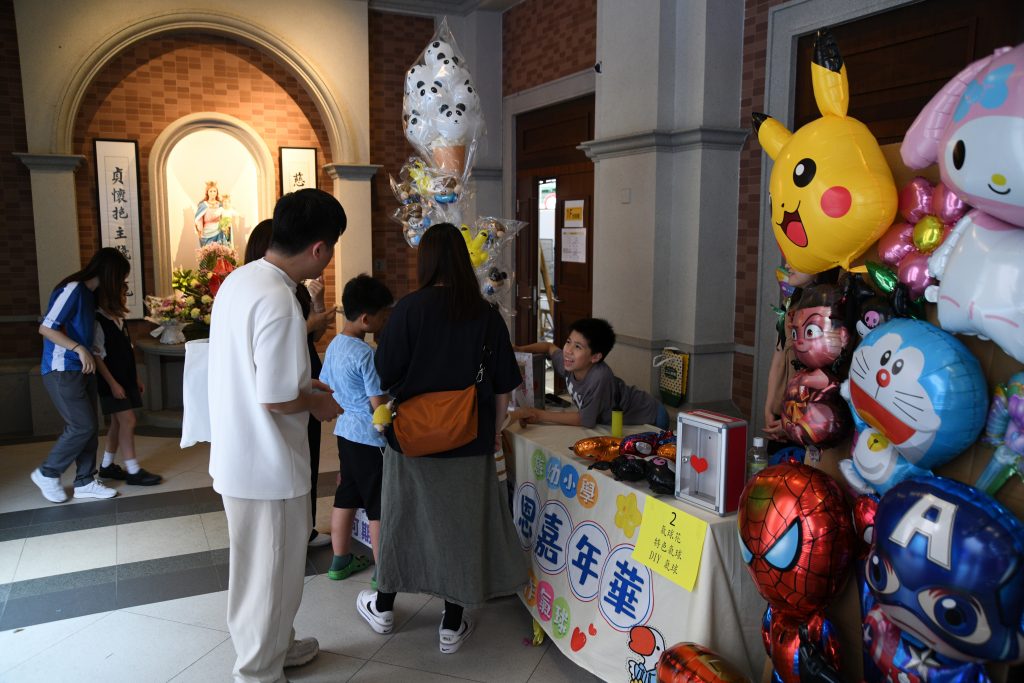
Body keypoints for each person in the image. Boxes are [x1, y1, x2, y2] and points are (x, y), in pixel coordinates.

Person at [364, 223, 527, 654]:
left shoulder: (408, 310)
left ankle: (384, 607)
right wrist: (493, 432)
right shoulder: (486, 315)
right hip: (468, 439)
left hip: (411, 440)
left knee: (402, 521)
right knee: (460, 528)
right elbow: (503, 387)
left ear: (426, 262)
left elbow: (385, 373)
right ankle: (451, 625)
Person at [208, 188, 345, 682]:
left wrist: (301, 387)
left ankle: (278, 646)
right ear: (319, 248)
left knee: (261, 572)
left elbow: (255, 374)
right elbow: (277, 397)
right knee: (270, 578)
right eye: (331, 248)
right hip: (268, 466)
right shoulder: (280, 300)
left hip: (238, 454)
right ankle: (257, 672)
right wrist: (317, 402)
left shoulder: (240, 280)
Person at [245, 219, 336, 548]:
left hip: (303, 371)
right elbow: (275, 394)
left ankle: (304, 527)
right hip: (285, 388)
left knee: (307, 454)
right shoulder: (271, 293)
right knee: (288, 454)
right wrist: (312, 401)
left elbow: (314, 335)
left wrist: (318, 304)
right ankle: (294, 532)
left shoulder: (291, 288)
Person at [30, 248, 127, 503]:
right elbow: (46, 328)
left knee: (89, 427)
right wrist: (78, 348)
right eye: (121, 277)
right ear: (110, 273)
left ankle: (85, 481)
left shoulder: (89, 296)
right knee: (82, 425)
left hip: (82, 368)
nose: (121, 283)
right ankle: (47, 472)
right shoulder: (73, 288)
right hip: (62, 368)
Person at [318, 274, 393, 584]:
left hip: (345, 433)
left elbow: (327, 387)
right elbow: (378, 405)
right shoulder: (366, 354)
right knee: (377, 504)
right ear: (365, 319)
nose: (385, 320)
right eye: (383, 315)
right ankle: (382, 572)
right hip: (369, 438)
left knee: (346, 493)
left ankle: (340, 560)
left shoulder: (335, 345)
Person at [513, 318, 668, 430]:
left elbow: (585, 420)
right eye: (568, 342)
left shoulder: (600, 376)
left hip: (652, 416)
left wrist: (538, 414)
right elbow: (549, 347)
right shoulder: (569, 362)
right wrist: (521, 349)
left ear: (595, 357)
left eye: (578, 347)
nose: (568, 351)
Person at [93, 281, 162, 486]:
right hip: (111, 383)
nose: (124, 299)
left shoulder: (120, 319)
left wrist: (135, 378)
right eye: (121, 295)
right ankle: (133, 470)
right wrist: (113, 384)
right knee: (129, 421)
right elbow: (97, 357)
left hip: (126, 379)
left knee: (118, 423)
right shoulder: (98, 321)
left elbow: (127, 351)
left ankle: (107, 466)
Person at [194, 181, 225, 246]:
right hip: (206, 233)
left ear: (217, 192)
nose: (213, 193)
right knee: (208, 251)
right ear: (207, 192)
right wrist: (200, 231)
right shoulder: (203, 205)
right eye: (210, 191)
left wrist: (224, 226)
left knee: (219, 250)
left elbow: (223, 218)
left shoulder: (220, 204)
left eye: (214, 191)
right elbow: (199, 220)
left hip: (218, 232)